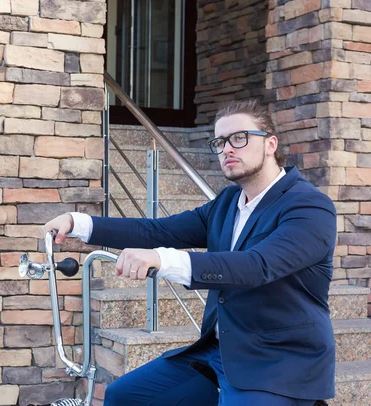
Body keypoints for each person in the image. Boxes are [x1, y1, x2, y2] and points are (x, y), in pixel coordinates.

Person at [44, 99, 337, 406]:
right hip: (221, 352)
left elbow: (257, 265)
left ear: (270, 144)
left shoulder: (309, 206)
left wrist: (163, 259)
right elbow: (157, 231)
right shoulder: (227, 203)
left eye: (239, 138)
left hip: (279, 362)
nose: (227, 149)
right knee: (124, 396)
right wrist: (78, 223)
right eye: (220, 142)